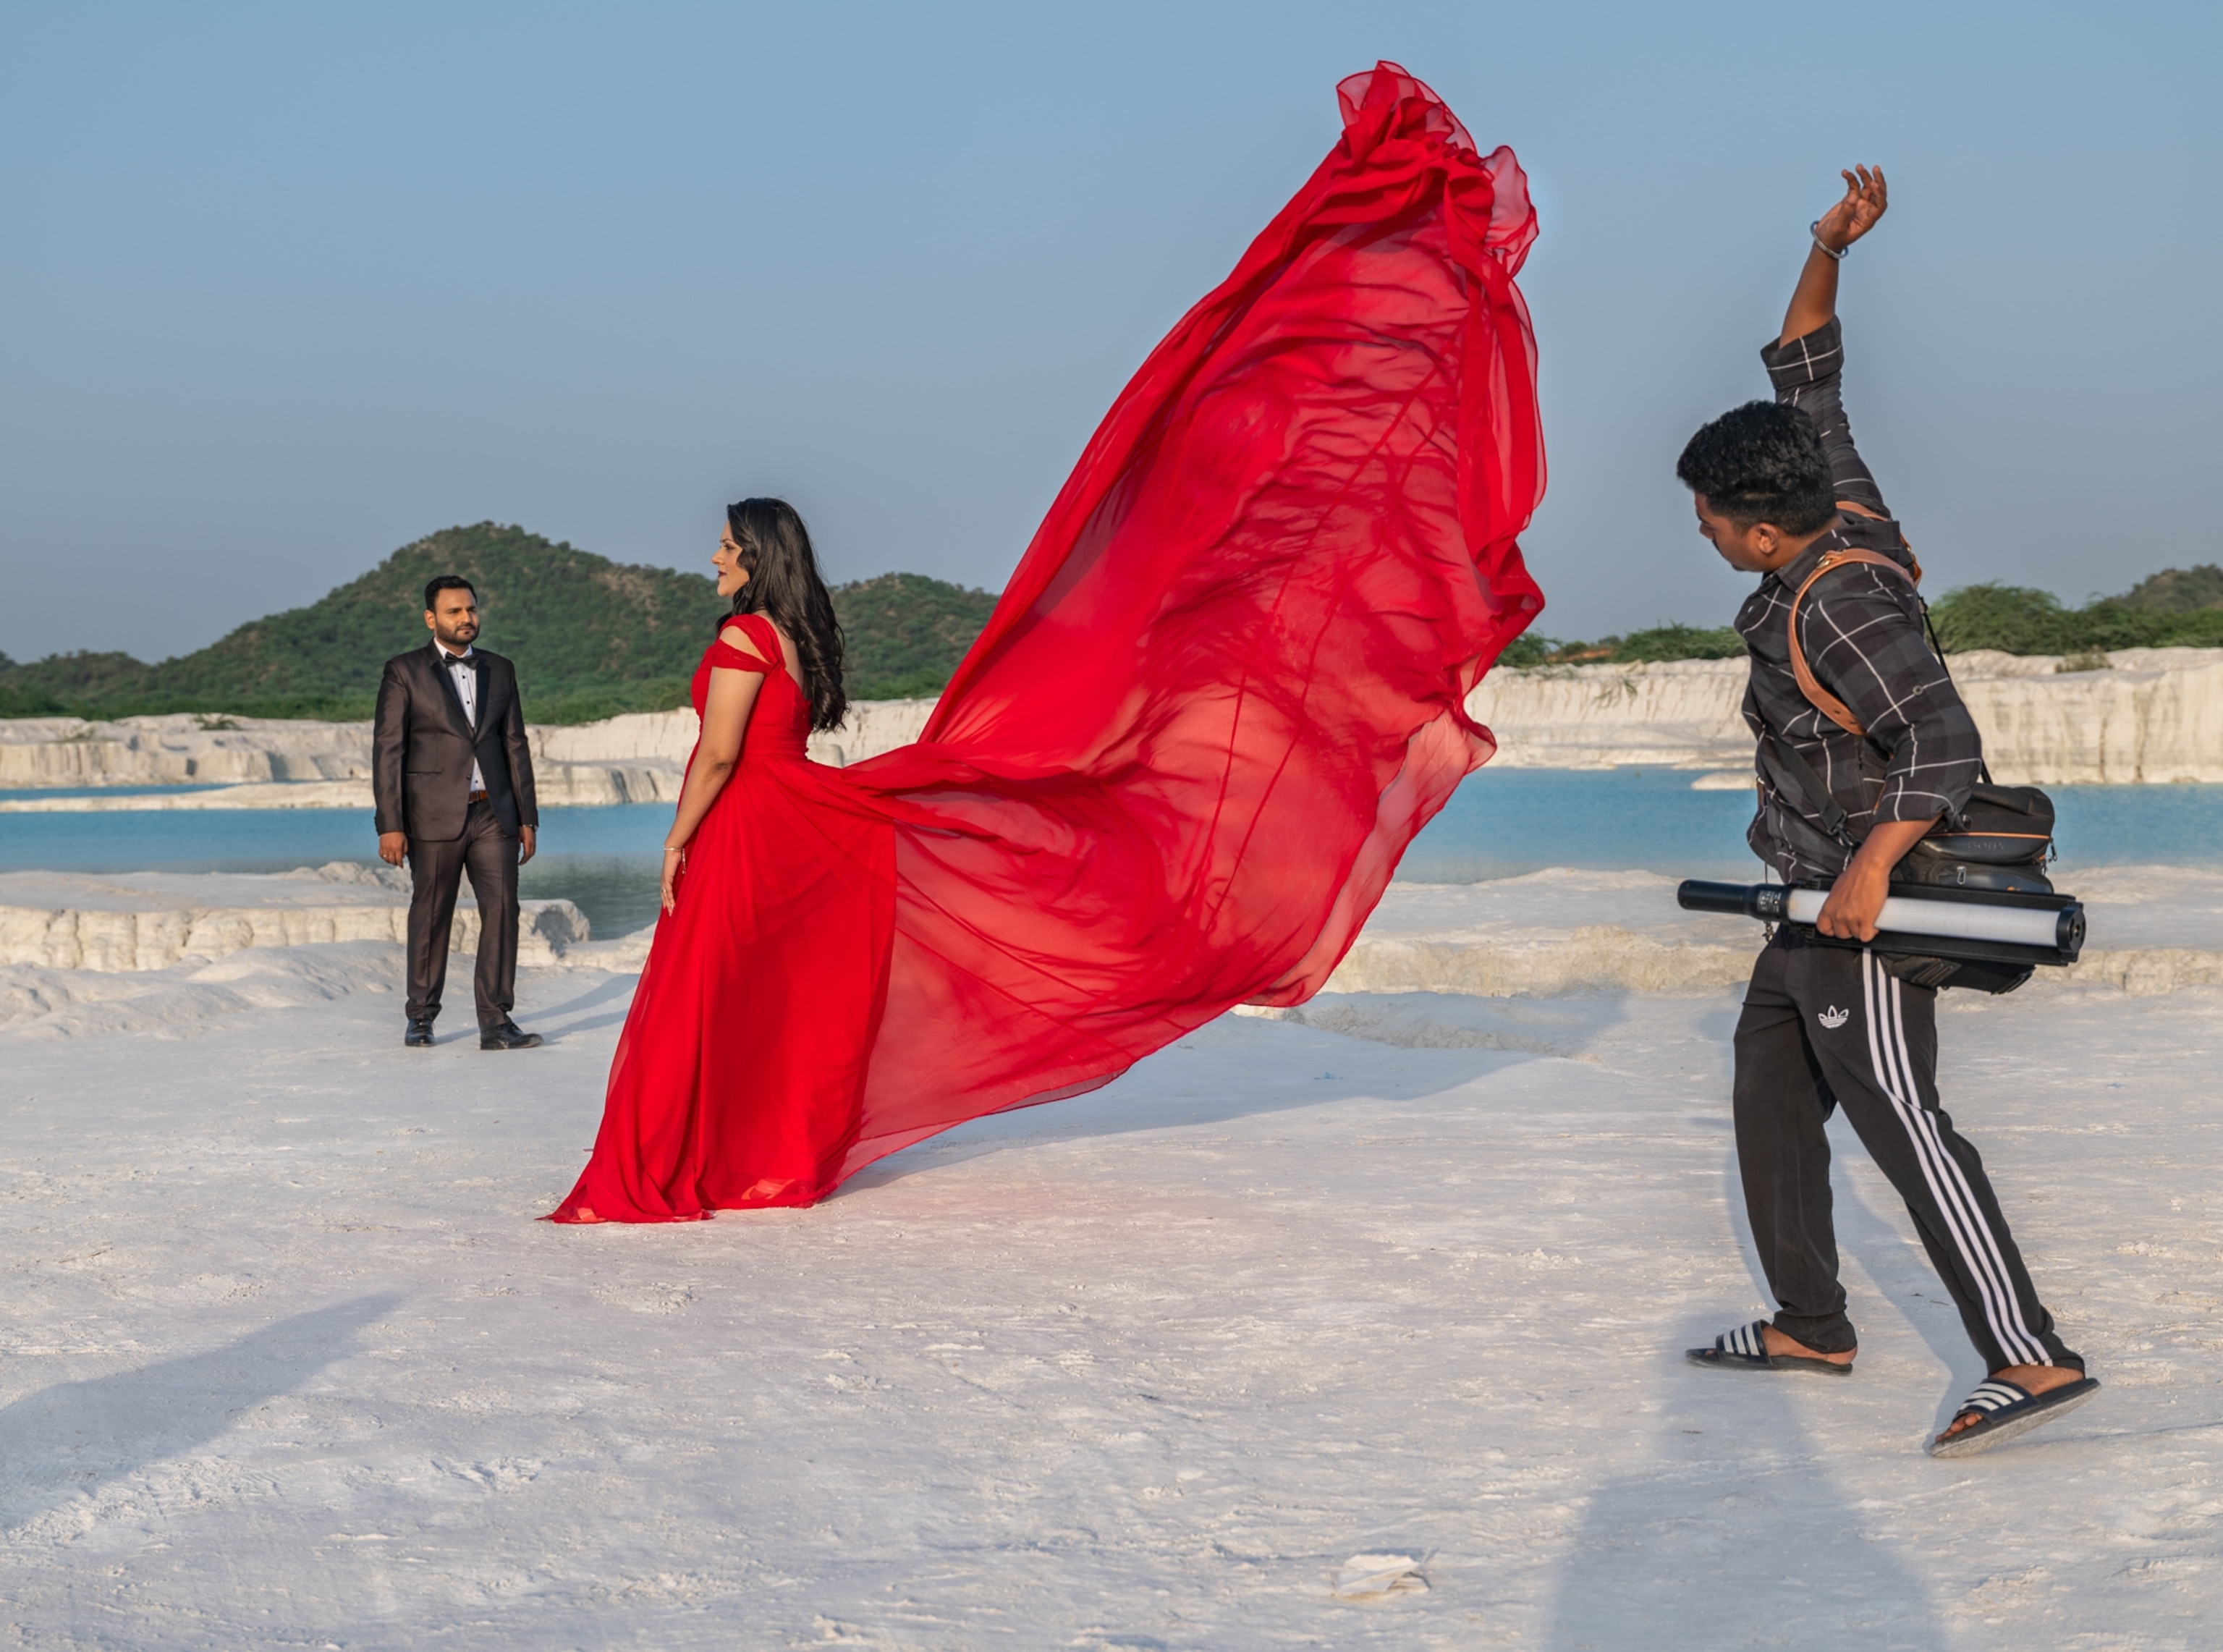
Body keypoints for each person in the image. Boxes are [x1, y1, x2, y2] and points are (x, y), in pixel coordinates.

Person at [550, 64, 1549, 1225]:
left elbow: (719, 758)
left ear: (753, 556)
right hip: (808, 823)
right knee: (776, 1001)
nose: (712, 559)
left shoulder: (737, 643)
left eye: (724, 547)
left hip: (751, 830)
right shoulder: (794, 635)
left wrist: (675, 842)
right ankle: (767, 1154)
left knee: (709, 1000)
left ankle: (691, 1161)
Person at [1677, 168, 2096, 1456]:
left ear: (1756, 535)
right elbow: (1809, 367)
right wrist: (1825, 246)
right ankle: (1811, 1317)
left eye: (1706, 515)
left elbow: (1942, 744)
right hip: (1803, 897)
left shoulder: (1835, 601)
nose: (1696, 525)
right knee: (1765, 1081)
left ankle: (2027, 1353)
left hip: (1861, 900)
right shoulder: (1834, 491)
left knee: (1903, 1116)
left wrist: (1865, 877)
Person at [373, 575, 543, 1051]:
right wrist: (391, 823)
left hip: (494, 813)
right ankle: (421, 1017)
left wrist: (527, 815)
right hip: (432, 815)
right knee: (431, 914)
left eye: (471, 609)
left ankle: (496, 1021)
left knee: (504, 909)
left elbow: (515, 744)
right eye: (454, 612)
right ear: (432, 618)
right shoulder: (403, 671)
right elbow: (388, 749)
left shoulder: (501, 669)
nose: (467, 618)